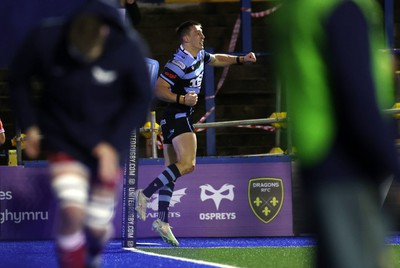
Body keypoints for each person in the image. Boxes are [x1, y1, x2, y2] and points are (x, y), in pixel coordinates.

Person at [8, 0, 153, 267]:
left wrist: (112, 144)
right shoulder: (45, 38)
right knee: (72, 212)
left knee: (97, 227)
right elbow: (18, 80)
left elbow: (140, 99)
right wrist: (29, 125)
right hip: (65, 138)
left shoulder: (128, 48)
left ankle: (94, 250)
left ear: (104, 35)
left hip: (109, 139)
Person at [273, 0, 399, 267]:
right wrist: (391, 165)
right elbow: (358, 99)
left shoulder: (297, 9)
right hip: (350, 159)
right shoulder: (340, 7)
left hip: (318, 158)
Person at [134, 20, 256, 247]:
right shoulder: (179, 62)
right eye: (198, 33)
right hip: (176, 114)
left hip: (171, 117)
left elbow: (218, 58)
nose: (203, 36)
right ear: (186, 38)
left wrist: (241, 59)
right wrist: (182, 99)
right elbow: (159, 88)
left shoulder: (199, 56)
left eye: (203, 31)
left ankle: (162, 221)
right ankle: (145, 194)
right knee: (188, 164)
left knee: (172, 171)